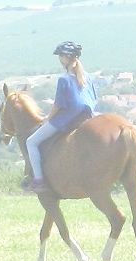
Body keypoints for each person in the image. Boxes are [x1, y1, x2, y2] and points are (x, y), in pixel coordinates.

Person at [22, 41, 99, 194]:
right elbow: (94, 99)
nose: (59, 59)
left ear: (66, 58)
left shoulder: (64, 79)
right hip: (87, 116)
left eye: (60, 56)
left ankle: (38, 180)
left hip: (67, 118)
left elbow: (58, 105)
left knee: (31, 142)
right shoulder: (89, 77)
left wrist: (47, 119)